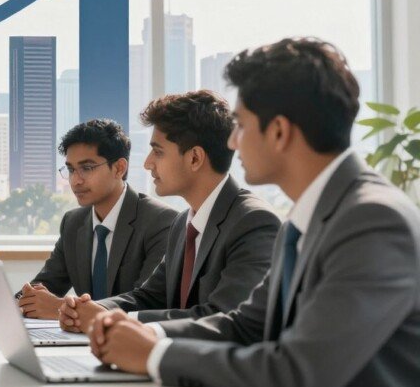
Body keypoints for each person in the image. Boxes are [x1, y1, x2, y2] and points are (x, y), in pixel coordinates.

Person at [87, 38, 420, 387]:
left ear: (278, 132)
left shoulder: (372, 220)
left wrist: (155, 355)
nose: (232, 142)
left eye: (241, 125)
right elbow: (244, 326)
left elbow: (298, 373)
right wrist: (142, 334)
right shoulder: (307, 219)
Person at [59, 91, 278, 332]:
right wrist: (94, 310)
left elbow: (222, 317)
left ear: (194, 158)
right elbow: (151, 296)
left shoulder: (253, 222)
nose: (147, 163)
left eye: (158, 151)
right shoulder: (183, 223)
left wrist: (115, 320)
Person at [17, 119, 177, 319]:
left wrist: (62, 308)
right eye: (71, 169)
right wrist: (19, 301)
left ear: (119, 168)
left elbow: (146, 302)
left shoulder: (161, 221)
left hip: (128, 335)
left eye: (87, 168)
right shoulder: (73, 222)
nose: (76, 180)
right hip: (81, 336)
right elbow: (45, 285)